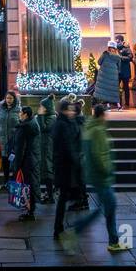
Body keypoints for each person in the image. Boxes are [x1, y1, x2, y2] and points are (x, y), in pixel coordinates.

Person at [61, 104, 125, 253]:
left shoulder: (90, 128)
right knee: (105, 208)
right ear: (102, 115)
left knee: (108, 208)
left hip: (95, 175)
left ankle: (113, 240)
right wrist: (108, 170)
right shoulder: (98, 131)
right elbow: (100, 155)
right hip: (102, 177)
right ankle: (75, 231)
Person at [51, 99, 83, 239]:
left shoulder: (69, 122)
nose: (71, 111)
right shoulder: (61, 125)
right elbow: (67, 147)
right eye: (69, 109)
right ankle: (58, 228)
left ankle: (61, 227)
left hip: (68, 167)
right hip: (65, 167)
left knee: (66, 198)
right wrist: (77, 161)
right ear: (63, 111)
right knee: (63, 198)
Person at [9, 105, 41, 221]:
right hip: (32, 159)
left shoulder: (25, 128)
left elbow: (20, 149)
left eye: (20, 113)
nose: (19, 115)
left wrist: (16, 165)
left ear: (25, 115)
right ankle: (30, 209)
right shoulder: (33, 124)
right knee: (31, 184)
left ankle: (30, 211)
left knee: (27, 186)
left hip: (26, 161)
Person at [35, 95, 57, 204]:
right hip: (44, 145)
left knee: (48, 170)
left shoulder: (52, 118)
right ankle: (48, 194)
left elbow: (43, 128)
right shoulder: (50, 116)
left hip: (48, 146)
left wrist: (40, 115)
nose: (40, 108)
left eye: (42, 106)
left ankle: (50, 196)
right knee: (45, 169)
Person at [0, 92, 19, 181]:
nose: (8, 100)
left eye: (11, 98)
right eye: (7, 98)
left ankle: (14, 181)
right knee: (5, 162)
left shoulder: (18, 109)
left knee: (13, 162)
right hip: (3, 140)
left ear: (14, 99)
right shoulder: (1, 109)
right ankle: (6, 181)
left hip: (14, 141)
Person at [94, 43, 121, 109]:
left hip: (104, 74)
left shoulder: (105, 54)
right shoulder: (118, 56)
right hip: (113, 74)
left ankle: (108, 105)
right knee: (113, 90)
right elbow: (119, 67)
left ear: (108, 47)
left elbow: (99, 62)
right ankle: (118, 105)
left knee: (106, 90)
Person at [116, 42, 133, 109]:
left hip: (125, 72)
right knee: (116, 88)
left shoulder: (127, 49)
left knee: (126, 88)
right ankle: (118, 103)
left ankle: (127, 104)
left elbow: (130, 57)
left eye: (118, 40)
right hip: (118, 72)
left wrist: (120, 57)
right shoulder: (115, 49)